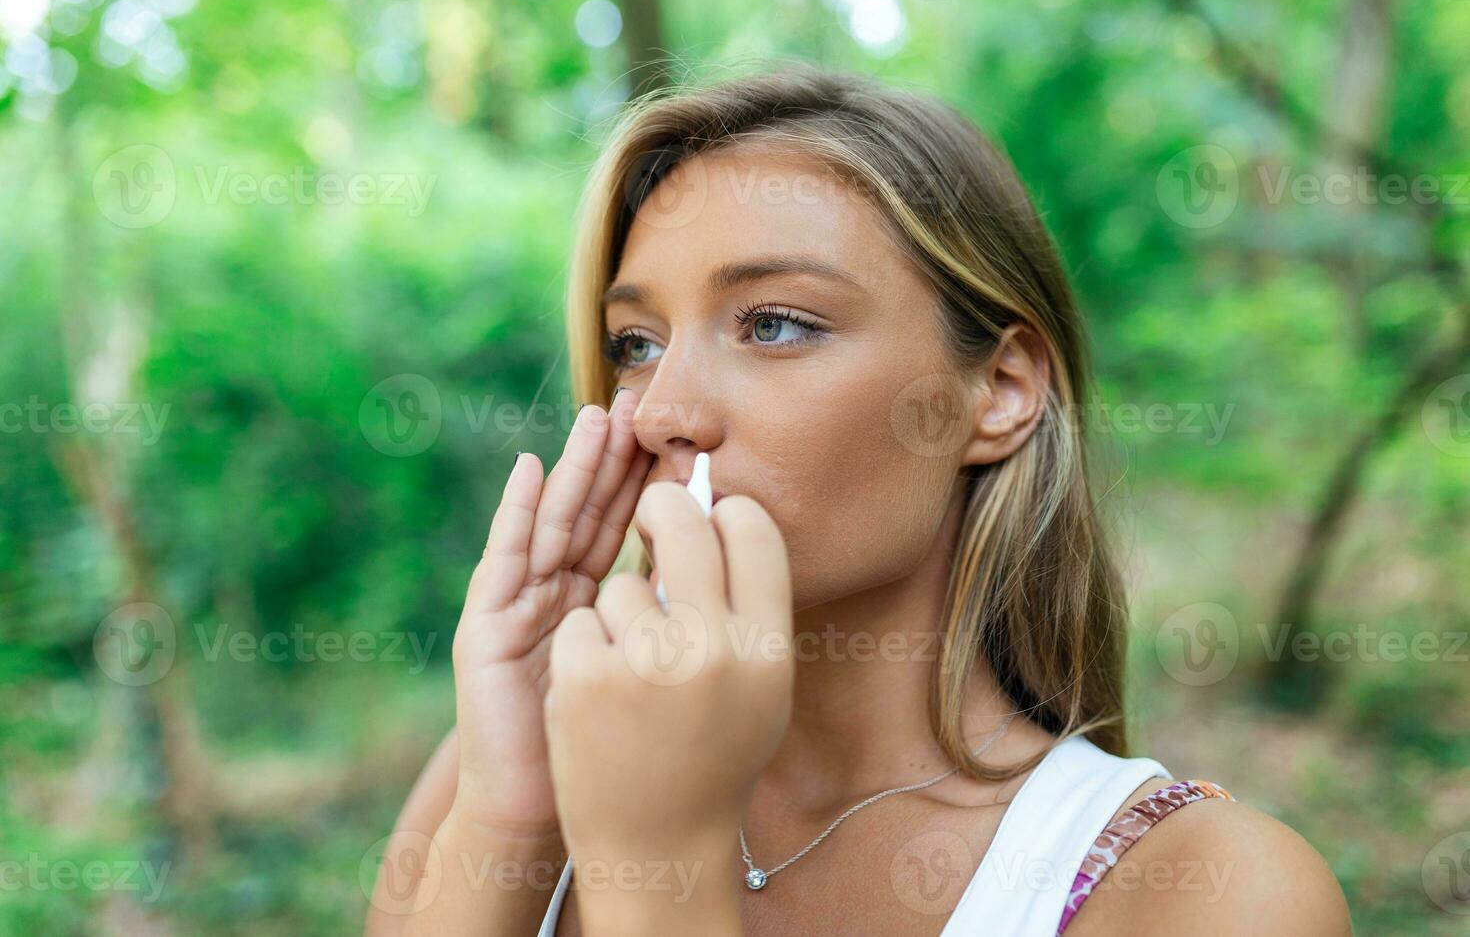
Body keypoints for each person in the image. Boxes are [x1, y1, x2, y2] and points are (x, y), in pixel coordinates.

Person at [366, 66, 1352, 936]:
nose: (663, 410)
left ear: (998, 392)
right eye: (637, 341)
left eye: (777, 324)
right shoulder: (494, 766)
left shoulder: (1207, 892)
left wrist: (657, 867)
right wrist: (510, 811)